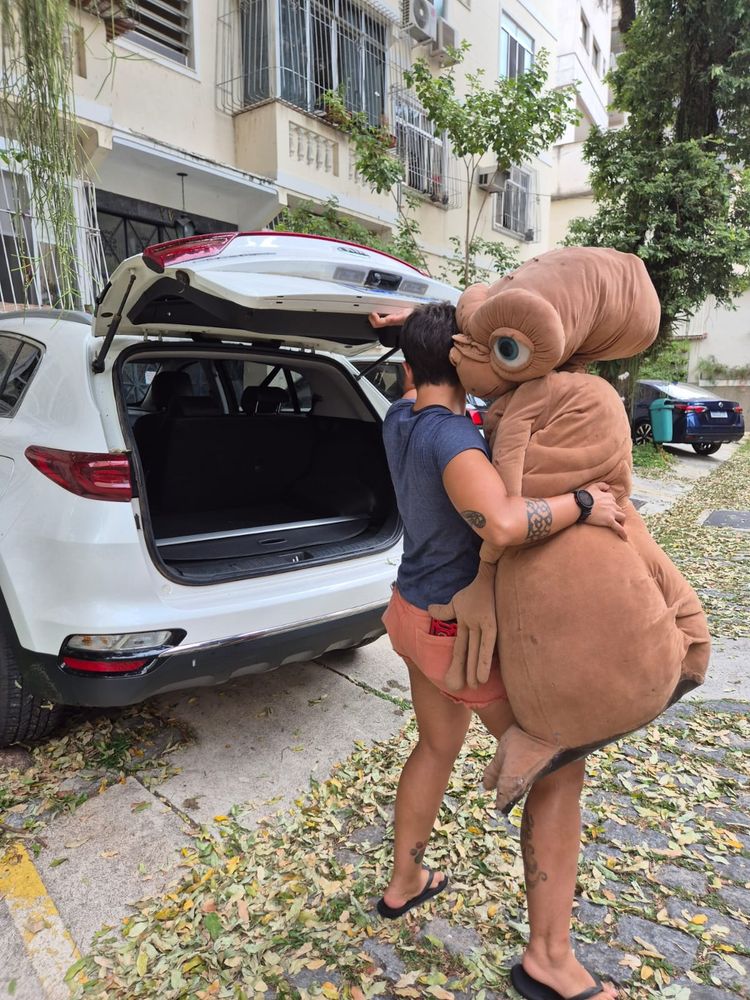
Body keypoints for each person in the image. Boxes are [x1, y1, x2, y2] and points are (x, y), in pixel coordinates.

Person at [368, 302, 621, 1000]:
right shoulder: (454, 440)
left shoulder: (402, 418)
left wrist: (404, 331)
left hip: (411, 616)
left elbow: (423, 365)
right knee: (557, 773)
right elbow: (505, 525)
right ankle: (549, 958)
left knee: (434, 748)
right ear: (461, 360)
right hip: (461, 637)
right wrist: (583, 503)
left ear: (408, 365)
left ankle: (405, 882)